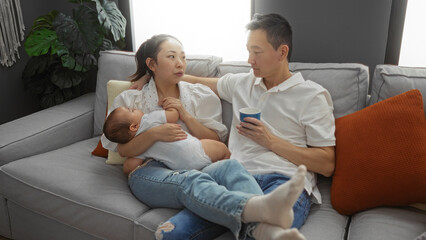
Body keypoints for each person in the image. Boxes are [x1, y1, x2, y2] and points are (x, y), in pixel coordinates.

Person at [131, 13, 336, 240]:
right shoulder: (243, 82)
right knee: (169, 234)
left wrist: (270, 141)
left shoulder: (312, 95)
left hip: (283, 181)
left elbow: (326, 164)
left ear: (282, 52)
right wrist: (150, 76)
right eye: (248, 51)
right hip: (232, 178)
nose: (250, 60)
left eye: (257, 52)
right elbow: (197, 81)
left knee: (257, 235)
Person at [102, 34, 307, 240]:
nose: (180, 63)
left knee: (231, 167)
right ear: (151, 64)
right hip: (151, 171)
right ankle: (257, 215)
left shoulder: (200, 94)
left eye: (183, 57)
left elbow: (216, 141)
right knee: (190, 179)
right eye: (171, 57)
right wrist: (155, 133)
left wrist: (186, 115)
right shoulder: (130, 101)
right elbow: (122, 150)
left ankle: (261, 224)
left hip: (198, 165)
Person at [102, 105, 231, 170]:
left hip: (180, 167)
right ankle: (224, 166)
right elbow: (173, 116)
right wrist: (171, 107)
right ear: (134, 126)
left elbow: (129, 167)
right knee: (223, 149)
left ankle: (211, 169)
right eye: (132, 110)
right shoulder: (149, 119)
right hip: (194, 149)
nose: (135, 108)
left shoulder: (140, 148)